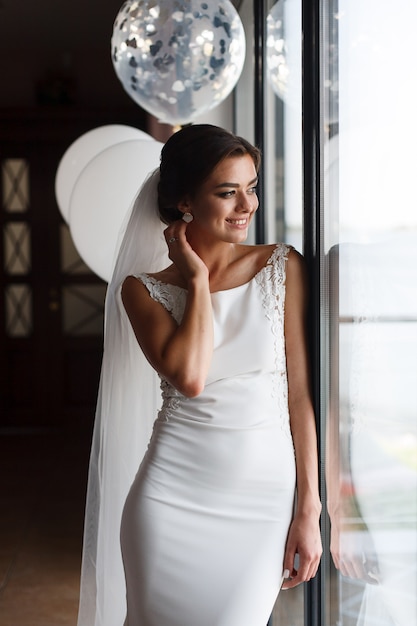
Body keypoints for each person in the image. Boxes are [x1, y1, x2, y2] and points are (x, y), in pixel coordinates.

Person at [77, 124, 322, 626]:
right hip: (169, 501)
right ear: (186, 201)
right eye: (227, 192)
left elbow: (300, 398)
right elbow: (191, 377)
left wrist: (309, 509)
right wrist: (195, 277)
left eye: (251, 188)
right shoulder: (142, 290)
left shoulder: (281, 267)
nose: (246, 206)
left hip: (263, 503)